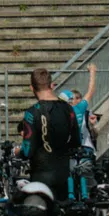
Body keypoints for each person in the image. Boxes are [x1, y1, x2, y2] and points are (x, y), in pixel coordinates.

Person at [20, 67, 81, 199]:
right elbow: (77, 141)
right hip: (64, 175)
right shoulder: (68, 109)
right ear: (51, 85)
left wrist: (17, 151)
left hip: (41, 178)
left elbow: (27, 151)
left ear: (32, 88)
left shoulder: (32, 112)